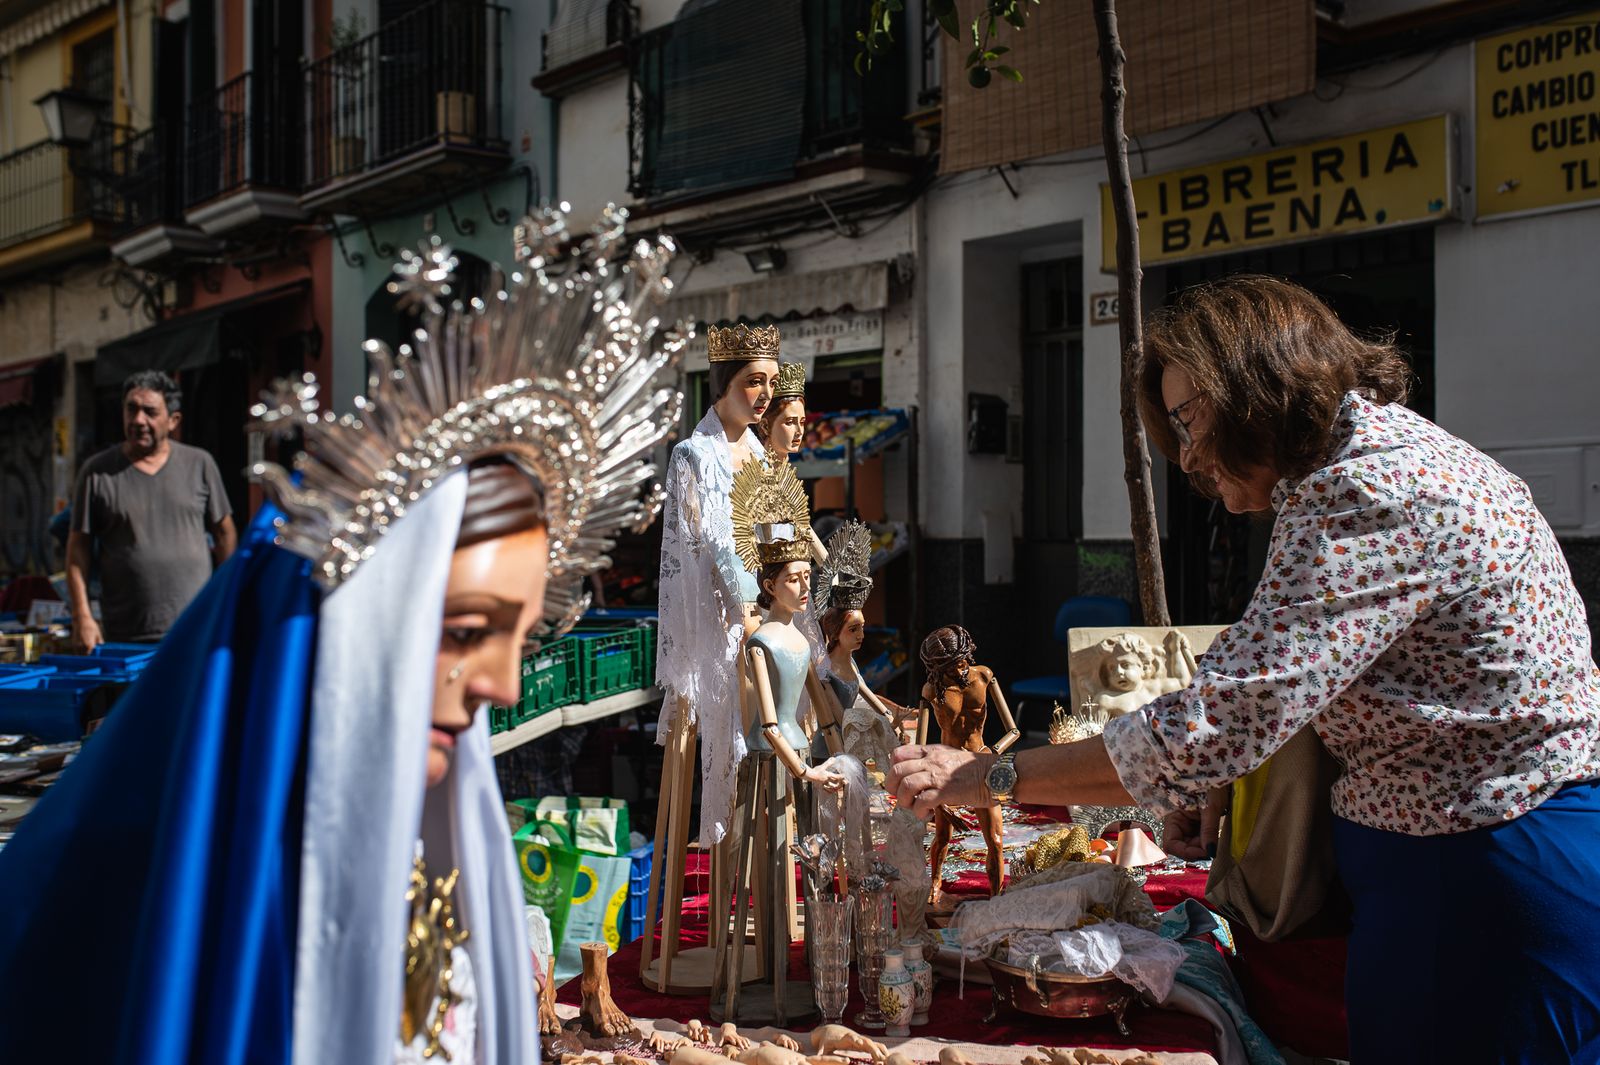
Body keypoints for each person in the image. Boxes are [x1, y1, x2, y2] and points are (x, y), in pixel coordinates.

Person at [0, 209, 683, 1064]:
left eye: (522, 634)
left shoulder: (448, 866)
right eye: (467, 629)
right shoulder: (171, 894)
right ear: (364, 623)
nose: (503, 687)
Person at [889, 276, 1600, 1062]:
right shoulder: (1373, 461)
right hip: (1466, 862)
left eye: (1190, 421)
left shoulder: (1366, 491)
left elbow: (1206, 727)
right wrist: (1215, 785)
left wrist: (988, 776)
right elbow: (1282, 677)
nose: (1187, 455)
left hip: (1482, 875)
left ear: (1257, 387)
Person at [67, 370, 237, 648]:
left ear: (173, 420)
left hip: (195, 628)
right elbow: (77, 549)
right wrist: (82, 616)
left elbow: (224, 533)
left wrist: (230, 595)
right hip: (126, 636)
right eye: (131, 409)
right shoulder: (97, 472)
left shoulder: (199, 464)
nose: (138, 420)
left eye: (150, 412)